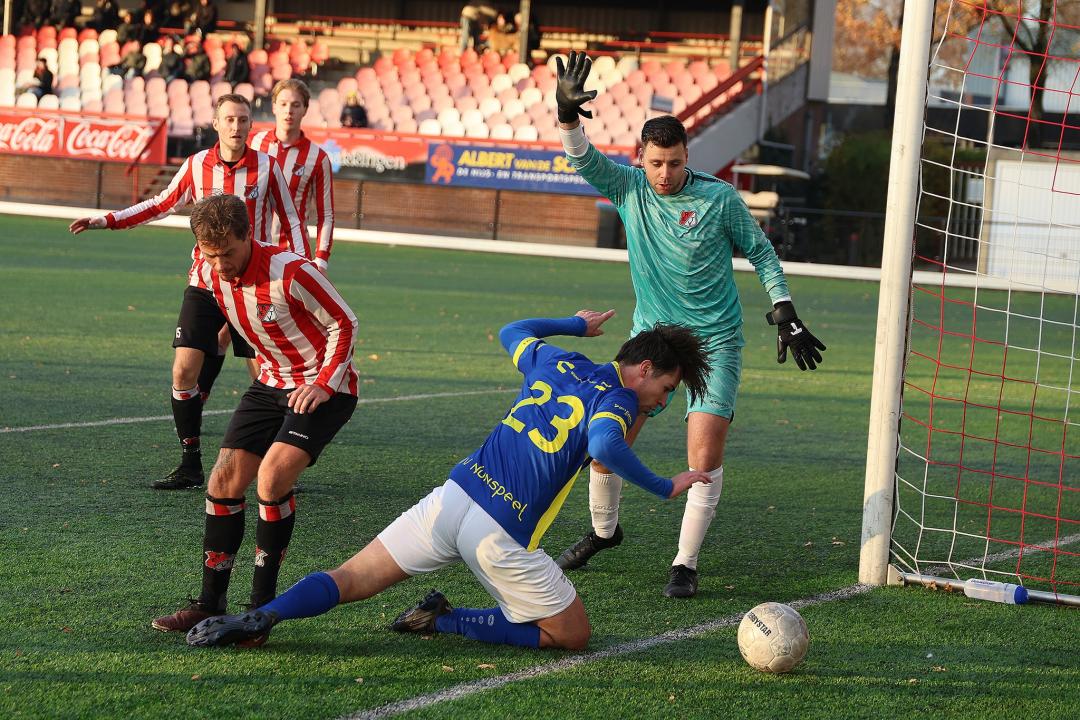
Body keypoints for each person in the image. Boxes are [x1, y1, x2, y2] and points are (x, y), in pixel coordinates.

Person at [185, 309, 712, 650]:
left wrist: (575, 325)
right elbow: (602, 445)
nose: (663, 401)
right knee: (572, 634)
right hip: (499, 534)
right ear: (642, 369)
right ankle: (446, 620)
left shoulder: (560, 361)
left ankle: (263, 616)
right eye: (666, 388)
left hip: (453, 497)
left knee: (350, 578)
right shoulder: (618, 396)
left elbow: (512, 331)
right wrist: (665, 486)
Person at [551, 52, 826, 598]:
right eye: (655, 163)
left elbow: (763, 255)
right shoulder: (628, 188)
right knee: (605, 441)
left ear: (686, 157)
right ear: (641, 159)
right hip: (652, 342)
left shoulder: (718, 199)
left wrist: (784, 309)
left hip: (715, 343)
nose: (665, 174)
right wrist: (566, 116)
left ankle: (684, 563)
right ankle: (605, 533)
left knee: (703, 454)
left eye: (674, 163)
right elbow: (582, 158)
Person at [68, 94, 308, 492]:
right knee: (183, 369)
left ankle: (276, 465)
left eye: (243, 119)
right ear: (215, 123)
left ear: (251, 125)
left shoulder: (268, 167)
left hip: (256, 286)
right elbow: (161, 204)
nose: (236, 126)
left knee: (271, 379)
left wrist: (302, 269)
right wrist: (106, 220)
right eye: (229, 119)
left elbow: (292, 222)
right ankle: (190, 462)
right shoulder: (197, 165)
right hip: (205, 283)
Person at [148, 193, 358, 635]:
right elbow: (210, 335)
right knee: (222, 482)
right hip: (270, 383)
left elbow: (345, 322)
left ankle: (260, 610)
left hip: (323, 388)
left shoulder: (290, 270)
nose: (220, 264)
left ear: (249, 237)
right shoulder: (205, 271)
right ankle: (210, 602)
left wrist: (322, 383)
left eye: (228, 253)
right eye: (211, 255)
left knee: (271, 479)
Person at [249, 79, 335, 273]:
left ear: (305, 109)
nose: (289, 111)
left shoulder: (317, 157)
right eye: (283, 104)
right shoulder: (254, 143)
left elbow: (326, 214)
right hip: (251, 250)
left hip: (292, 255)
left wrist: (321, 259)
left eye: (296, 105)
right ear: (274, 107)